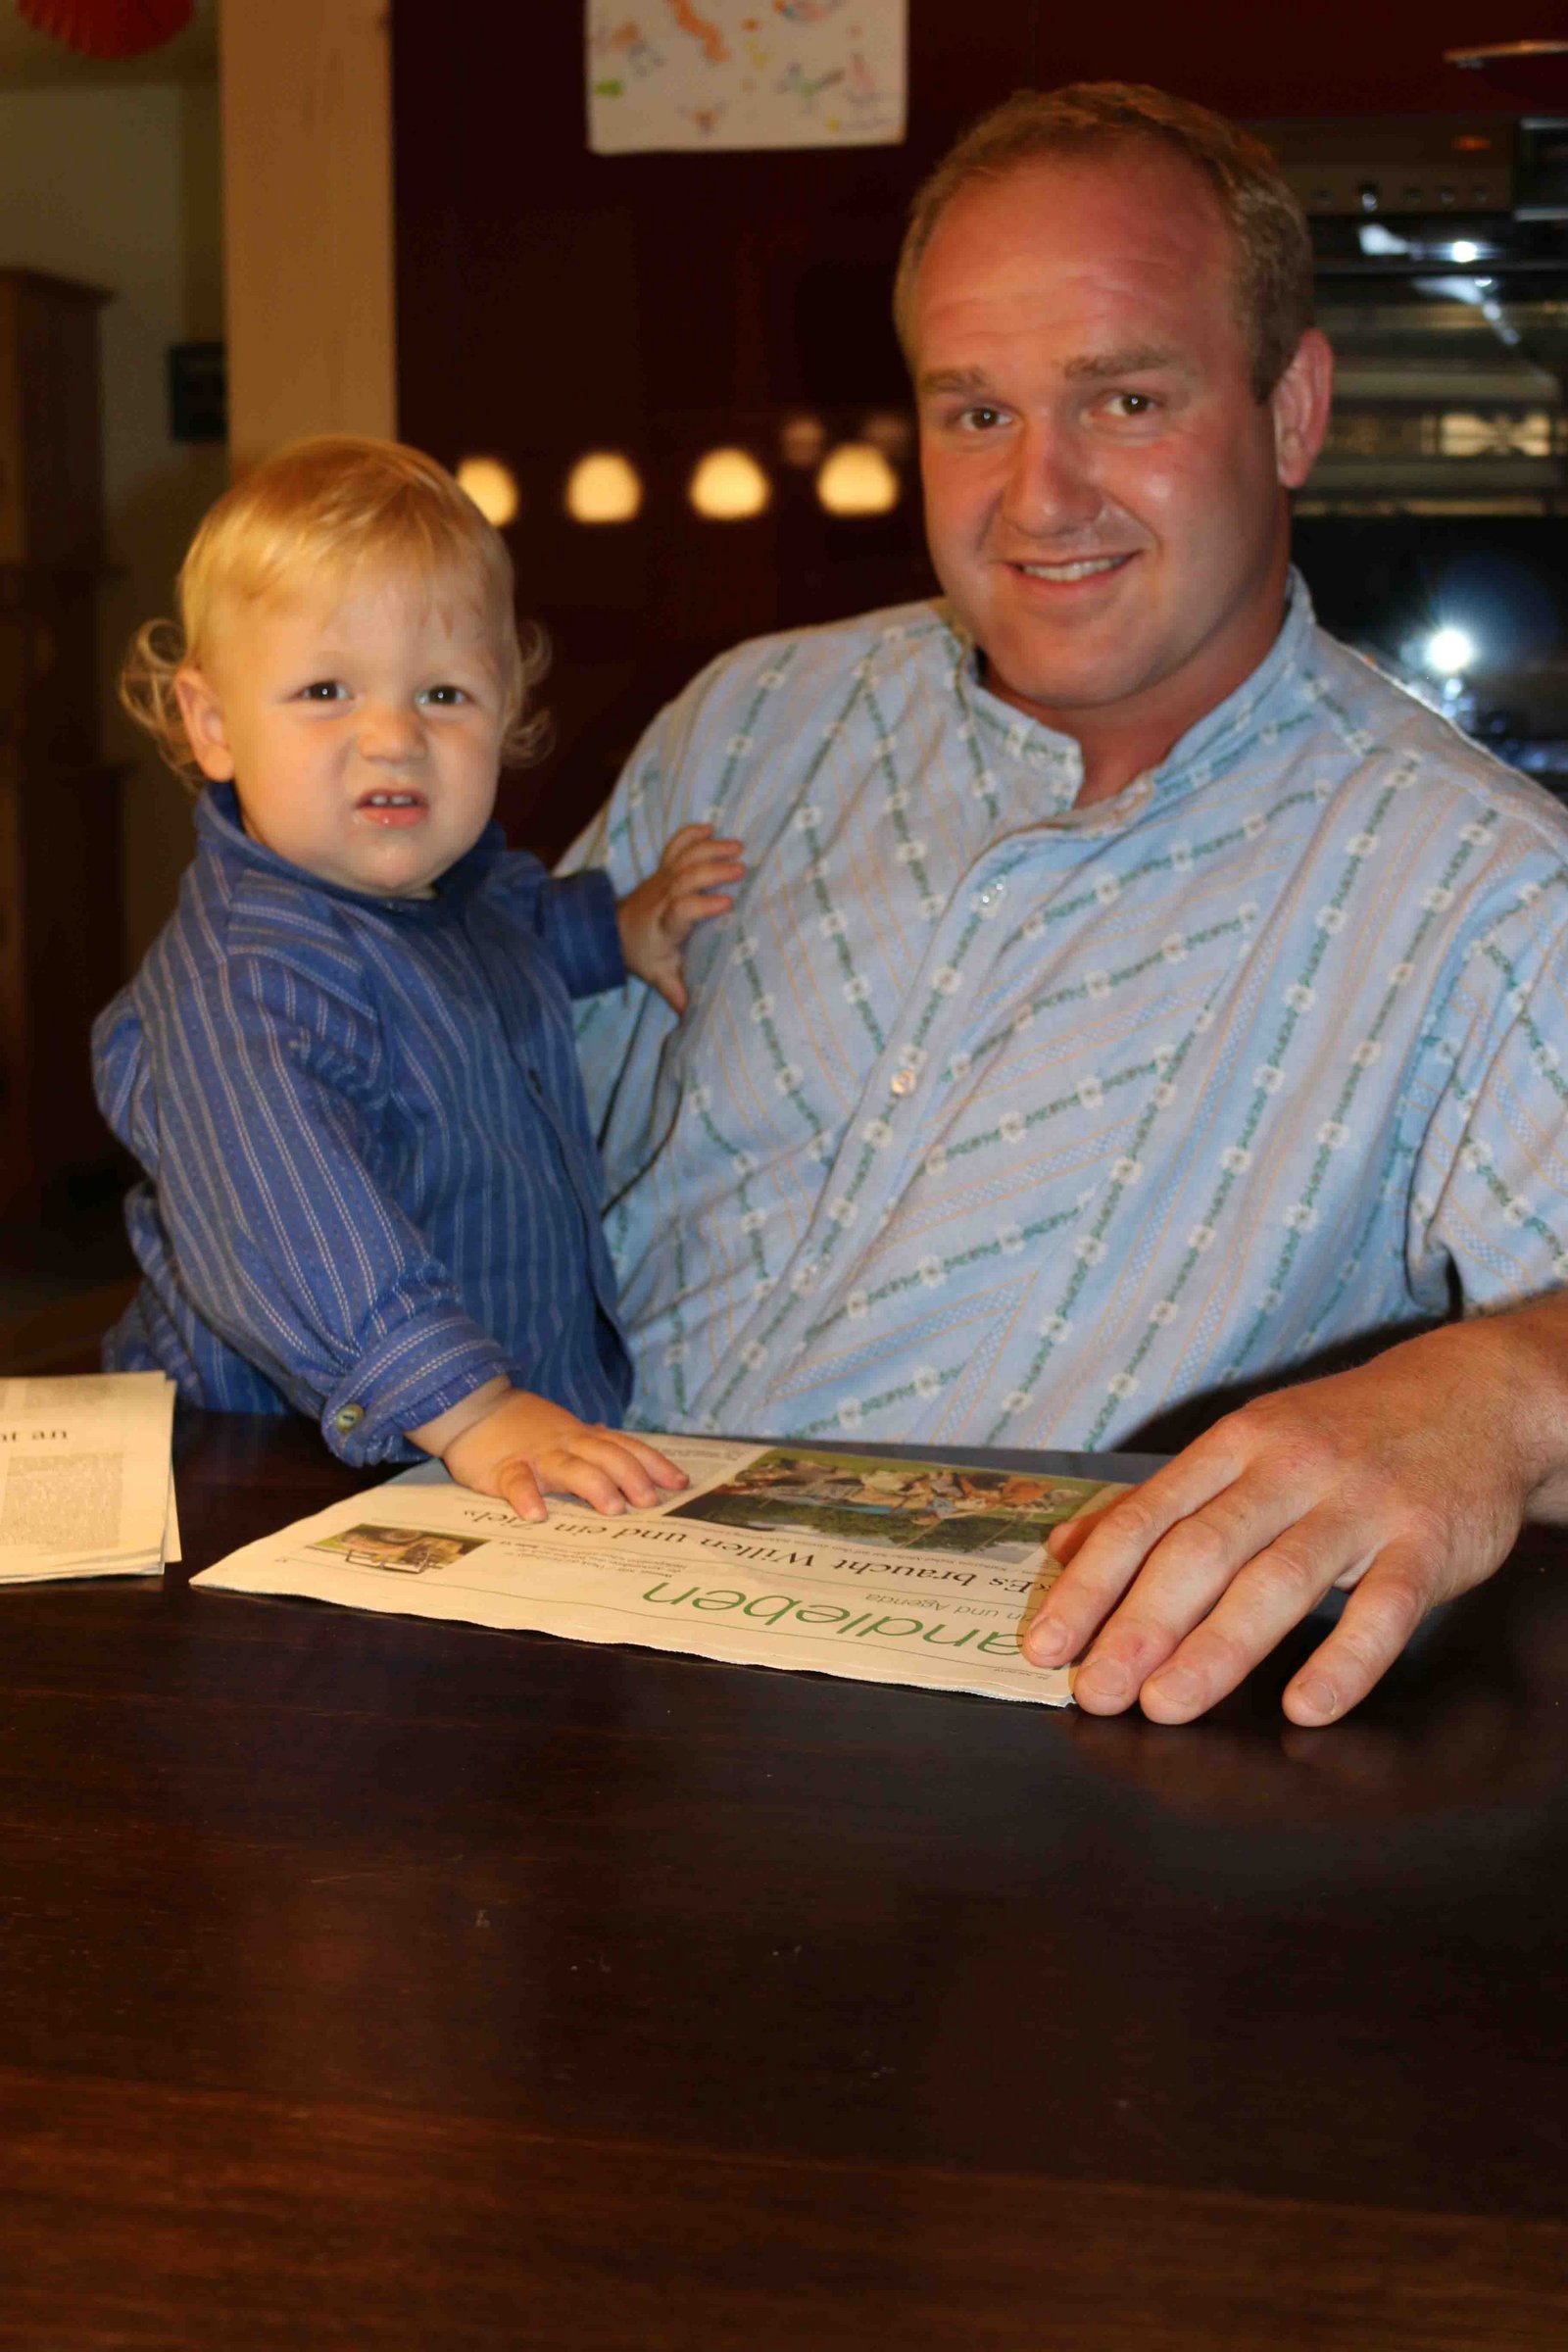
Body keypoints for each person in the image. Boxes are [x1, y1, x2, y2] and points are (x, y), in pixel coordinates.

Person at [565, 84, 1568, 1725]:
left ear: (1293, 413)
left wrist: (1511, 1385)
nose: (1039, 496)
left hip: (1035, 1769)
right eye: (977, 413)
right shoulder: (749, 725)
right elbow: (481, 1110)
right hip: (535, 1661)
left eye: (1126, 400)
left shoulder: (1483, 889)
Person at [96, 435, 744, 1523]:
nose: (392, 736)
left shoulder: (450, 898)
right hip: (270, 1468)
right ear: (212, 724)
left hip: (488, 1439)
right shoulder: (247, 978)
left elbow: (508, 934)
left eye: (443, 692)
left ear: (508, 707)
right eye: (325, 690)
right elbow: (292, 1217)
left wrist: (615, 928)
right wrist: (470, 1407)